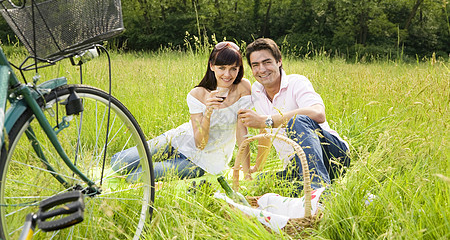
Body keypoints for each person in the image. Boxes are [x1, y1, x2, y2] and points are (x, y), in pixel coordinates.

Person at [111, 41, 252, 181]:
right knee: (118, 163)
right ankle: (163, 158)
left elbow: (210, 143)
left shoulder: (243, 88)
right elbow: (198, 139)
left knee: (136, 176)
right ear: (212, 66)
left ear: (239, 69)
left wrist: (247, 174)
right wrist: (208, 111)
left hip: (202, 161)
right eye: (222, 68)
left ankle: (162, 164)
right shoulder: (197, 94)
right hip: (177, 140)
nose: (227, 74)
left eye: (233, 68)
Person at [237, 38, 350, 192]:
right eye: (255, 65)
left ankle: (318, 193)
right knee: (262, 182)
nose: (262, 69)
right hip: (297, 164)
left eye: (267, 62)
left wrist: (267, 121)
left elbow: (318, 113)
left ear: (279, 61)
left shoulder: (296, 82)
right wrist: (257, 166)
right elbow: (265, 131)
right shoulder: (257, 91)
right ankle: (316, 187)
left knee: (297, 121)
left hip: (332, 155)